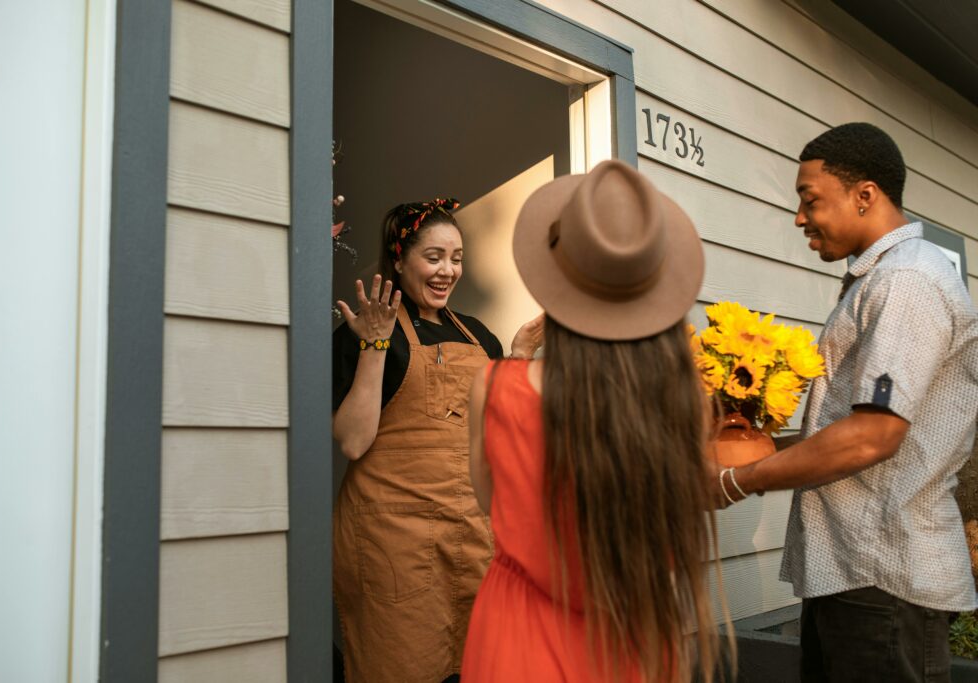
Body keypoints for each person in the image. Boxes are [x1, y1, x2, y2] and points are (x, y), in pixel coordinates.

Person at [719, 123, 978, 682]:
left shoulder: (907, 281)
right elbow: (853, 426)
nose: (798, 218)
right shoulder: (880, 280)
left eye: (809, 199)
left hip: (884, 579)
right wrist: (749, 445)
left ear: (865, 195)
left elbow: (873, 436)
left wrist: (739, 480)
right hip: (854, 574)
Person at [461, 160, 730, 682]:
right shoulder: (685, 401)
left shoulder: (496, 389)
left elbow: (493, 504)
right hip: (639, 641)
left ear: (554, 282)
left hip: (518, 642)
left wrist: (518, 363)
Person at [332, 198, 543, 683]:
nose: (448, 270)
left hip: (470, 537)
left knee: (481, 667)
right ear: (399, 259)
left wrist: (517, 356)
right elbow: (351, 442)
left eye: (457, 258)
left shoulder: (480, 338)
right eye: (434, 257)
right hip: (393, 545)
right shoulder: (363, 333)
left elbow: (502, 434)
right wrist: (375, 345)